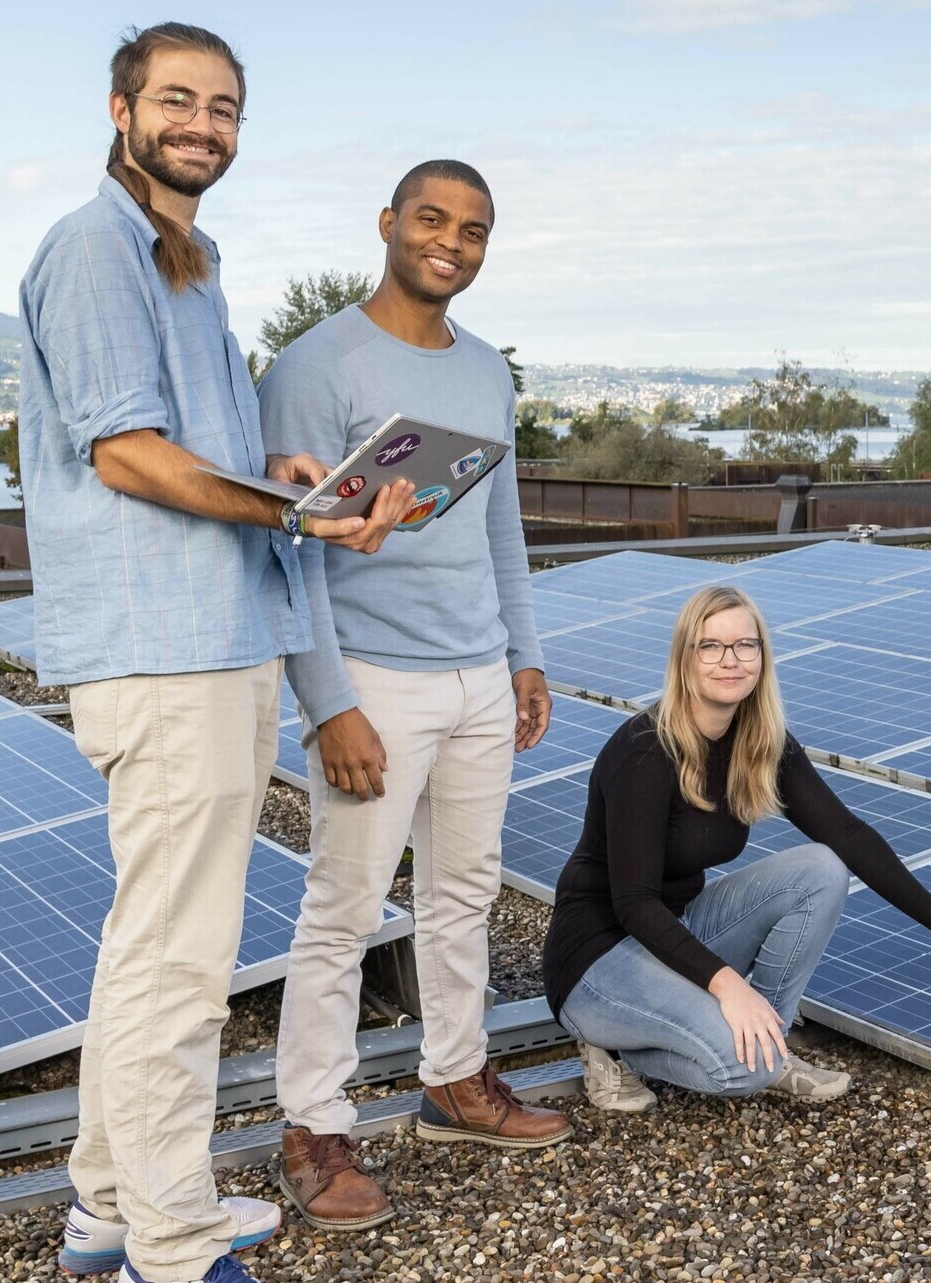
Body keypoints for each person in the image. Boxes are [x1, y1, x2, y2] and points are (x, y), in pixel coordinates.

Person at [17, 23, 412, 1283]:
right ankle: (173, 1242)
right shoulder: (95, 249)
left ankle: (109, 1207)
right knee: (179, 964)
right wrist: (294, 512)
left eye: (225, 107)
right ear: (122, 109)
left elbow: (194, 449)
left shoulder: (191, 259)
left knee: (154, 945)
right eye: (178, 100)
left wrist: (280, 472)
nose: (203, 124)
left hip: (218, 639)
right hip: (165, 650)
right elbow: (127, 451)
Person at [262, 158, 571, 1233]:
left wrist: (524, 656)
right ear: (388, 222)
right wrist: (329, 701)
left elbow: (500, 528)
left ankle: (455, 1078)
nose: (451, 241)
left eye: (473, 229)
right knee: (344, 910)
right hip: (375, 680)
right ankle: (311, 1126)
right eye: (432, 219)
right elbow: (286, 544)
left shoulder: (487, 372)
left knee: (464, 893)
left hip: (479, 674)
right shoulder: (315, 364)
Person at [543, 585, 931, 1109]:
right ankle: (613, 1045)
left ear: (762, 655)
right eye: (711, 646)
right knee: (746, 1069)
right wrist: (729, 986)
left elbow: (847, 834)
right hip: (597, 959)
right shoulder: (646, 752)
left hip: (674, 931)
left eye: (745, 645)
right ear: (685, 658)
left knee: (822, 868)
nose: (730, 660)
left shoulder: (760, 742)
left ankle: (769, 1040)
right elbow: (634, 903)